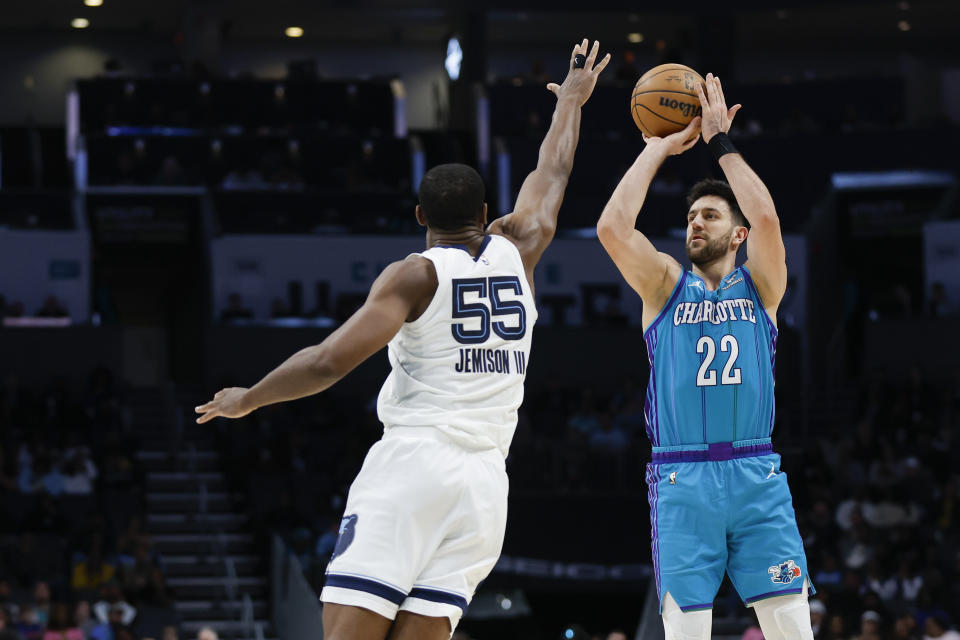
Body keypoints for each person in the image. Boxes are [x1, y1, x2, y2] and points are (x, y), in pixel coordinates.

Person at [195, 39, 610, 640]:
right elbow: (553, 171)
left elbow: (328, 361)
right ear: (487, 209)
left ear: (420, 217)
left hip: (416, 462)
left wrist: (250, 398)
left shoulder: (416, 273)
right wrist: (570, 101)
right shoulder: (521, 250)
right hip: (487, 483)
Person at [596, 73, 814, 640]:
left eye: (711, 216)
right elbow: (613, 228)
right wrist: (657, 148)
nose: (696, 222)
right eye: (692, 217)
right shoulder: (665, 286)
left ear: (737, 235)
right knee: (686, 632)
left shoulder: (761, 288)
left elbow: (768, 218)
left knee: (793, 628)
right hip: (682, 475)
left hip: (755, 473)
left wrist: (721, 142)